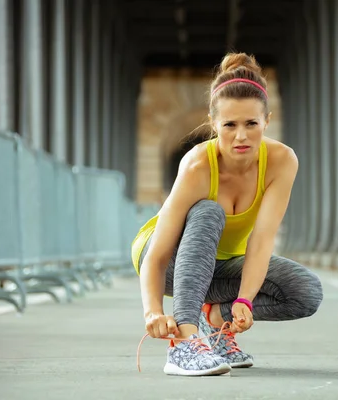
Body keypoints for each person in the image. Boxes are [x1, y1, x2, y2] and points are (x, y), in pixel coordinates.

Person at [131, 52, 323, 376]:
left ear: (267, 120)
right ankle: (185, 342)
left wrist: (244, 301)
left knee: (305, 291)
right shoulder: (197, 165)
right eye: (229, 125)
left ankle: (216, 322)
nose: (241, 136)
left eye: (251, 124)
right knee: (209, 212)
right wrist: (153, 312)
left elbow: (261, 242)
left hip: (220, 268)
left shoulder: (282, 161)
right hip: (171, 263)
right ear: (213, 123)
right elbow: (157, 255)